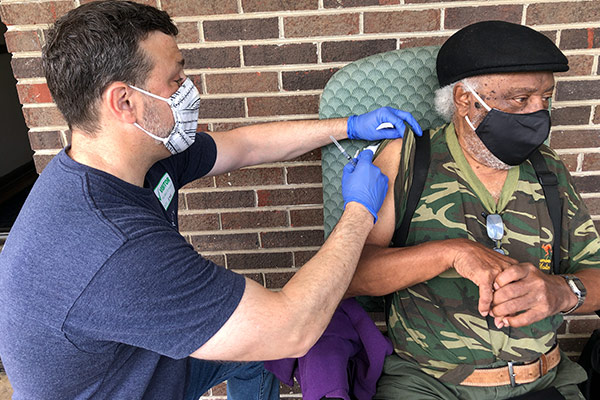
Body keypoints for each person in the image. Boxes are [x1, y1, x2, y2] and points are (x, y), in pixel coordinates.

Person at [0, 1, 423, 399]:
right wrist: (359, 210)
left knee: (258, 357)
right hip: (128, 388)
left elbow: (245, 146)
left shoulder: (138, 160)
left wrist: (348, 125)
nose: (189, 89)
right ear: (124, 102)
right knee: (274, 337)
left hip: (147, 362)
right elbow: (291, 328)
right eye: (175, 80)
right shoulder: (112, 247)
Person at [346, 20, 600, 399]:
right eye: (521, 99)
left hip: (543, 381)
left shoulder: (548, 169)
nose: (540, 113)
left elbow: (595, 275)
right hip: (430, 384)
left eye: (546, 98)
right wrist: (450, 252)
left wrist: (562, 292)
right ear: (466, 100)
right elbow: (350, 274)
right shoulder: (408, 160)